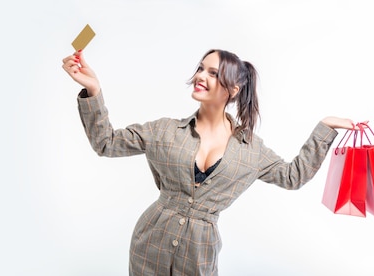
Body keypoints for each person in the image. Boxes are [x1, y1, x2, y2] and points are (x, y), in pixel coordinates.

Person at [61, 48, 355, 275]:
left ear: (233, 90)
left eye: (213, 73)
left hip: (200, 251)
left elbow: (294, 177)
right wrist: (94, 91)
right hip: (150, 242)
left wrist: (324, 129)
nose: (201, 76)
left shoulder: (251, 150)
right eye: (201, 68)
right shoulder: (164, 130)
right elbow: (106, 143)